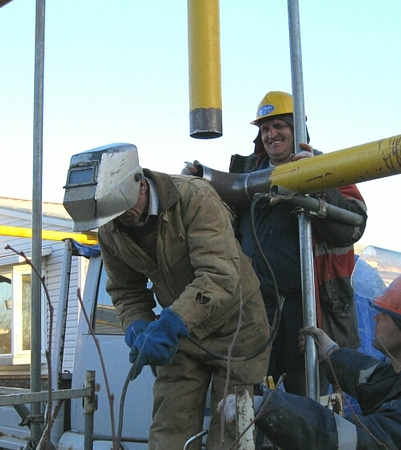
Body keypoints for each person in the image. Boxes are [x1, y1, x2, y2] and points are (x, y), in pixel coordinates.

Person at [63, 143, 271, 450]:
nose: (118, 222)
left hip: (238, 326)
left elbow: (218, 274)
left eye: (120, 211)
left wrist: (173, 321)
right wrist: (137, 325)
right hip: (182, 334)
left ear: (139, 184)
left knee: (232, 431)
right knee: (169, 427)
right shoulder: (110, 227)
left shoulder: (194, 198)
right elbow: (126, 291)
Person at [218, 261, 401, 449]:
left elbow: (350, 438)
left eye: (385, 313)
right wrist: (331, 353)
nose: (375, 317)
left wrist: (267, 407)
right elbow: (374, 378)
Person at [230, 91, 368, 396]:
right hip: (256, 307)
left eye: (279, 126)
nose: (271, 135)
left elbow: (354, 225)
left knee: (305, 399)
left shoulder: (327, 167)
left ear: (298, 130)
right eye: (265, 129)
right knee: (253, 398)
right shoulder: (246, 176)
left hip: (306, 309)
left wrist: (317, 182)